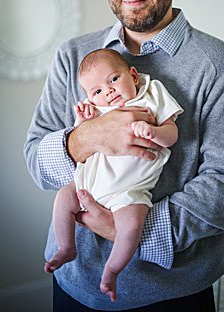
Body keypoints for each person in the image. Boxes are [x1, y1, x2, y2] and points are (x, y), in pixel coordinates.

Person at [24, 0, 224, 309]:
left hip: (172, 294)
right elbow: (35, 158)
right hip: (72, 285)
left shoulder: (221, 67)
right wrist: (87, 138)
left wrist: (127, 230)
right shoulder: (73, 58)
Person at [45, 49, 183, 302]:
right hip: (89, 181)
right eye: (96, 91)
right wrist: (81, 122)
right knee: (64, 197)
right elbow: (81, 142)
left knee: (131, 225)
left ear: (133, 76)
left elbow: (171, 133)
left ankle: (112, 270)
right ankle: (66, 247)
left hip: (130, 191)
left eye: (113, 80)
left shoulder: (152, 94)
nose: (107, 92)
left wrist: (154, 133)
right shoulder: (98, 108)